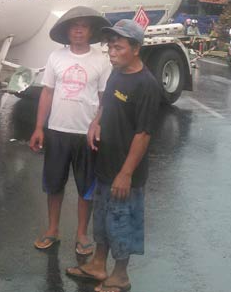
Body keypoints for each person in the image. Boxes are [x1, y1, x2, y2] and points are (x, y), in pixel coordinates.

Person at [65, 19, 162, 292]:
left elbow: (143, 134)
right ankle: (98, 264)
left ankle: (120, 276)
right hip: (105, 165)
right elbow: (106, 103)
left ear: (136, 48)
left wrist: (126, 173)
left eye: (118, 47)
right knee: (103, 219)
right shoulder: (117, 73)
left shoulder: (146, 85)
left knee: (121, 222)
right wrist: (96, 122)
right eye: (110, 47)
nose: (112, 52)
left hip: (125, 172)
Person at [29, 6, 111, 256]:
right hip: (57, 131)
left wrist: (97, 124)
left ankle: (81, 234)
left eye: (83, 26)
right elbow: (47, 92)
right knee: (54, 184)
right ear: (67, 31)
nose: (78, 30)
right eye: (74, 26)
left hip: (86, 135)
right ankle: (52, 230)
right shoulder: (56, 57)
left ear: (91, 31)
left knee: (86, 187)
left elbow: (104, 98)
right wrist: (39, 127)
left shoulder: (101, 60)